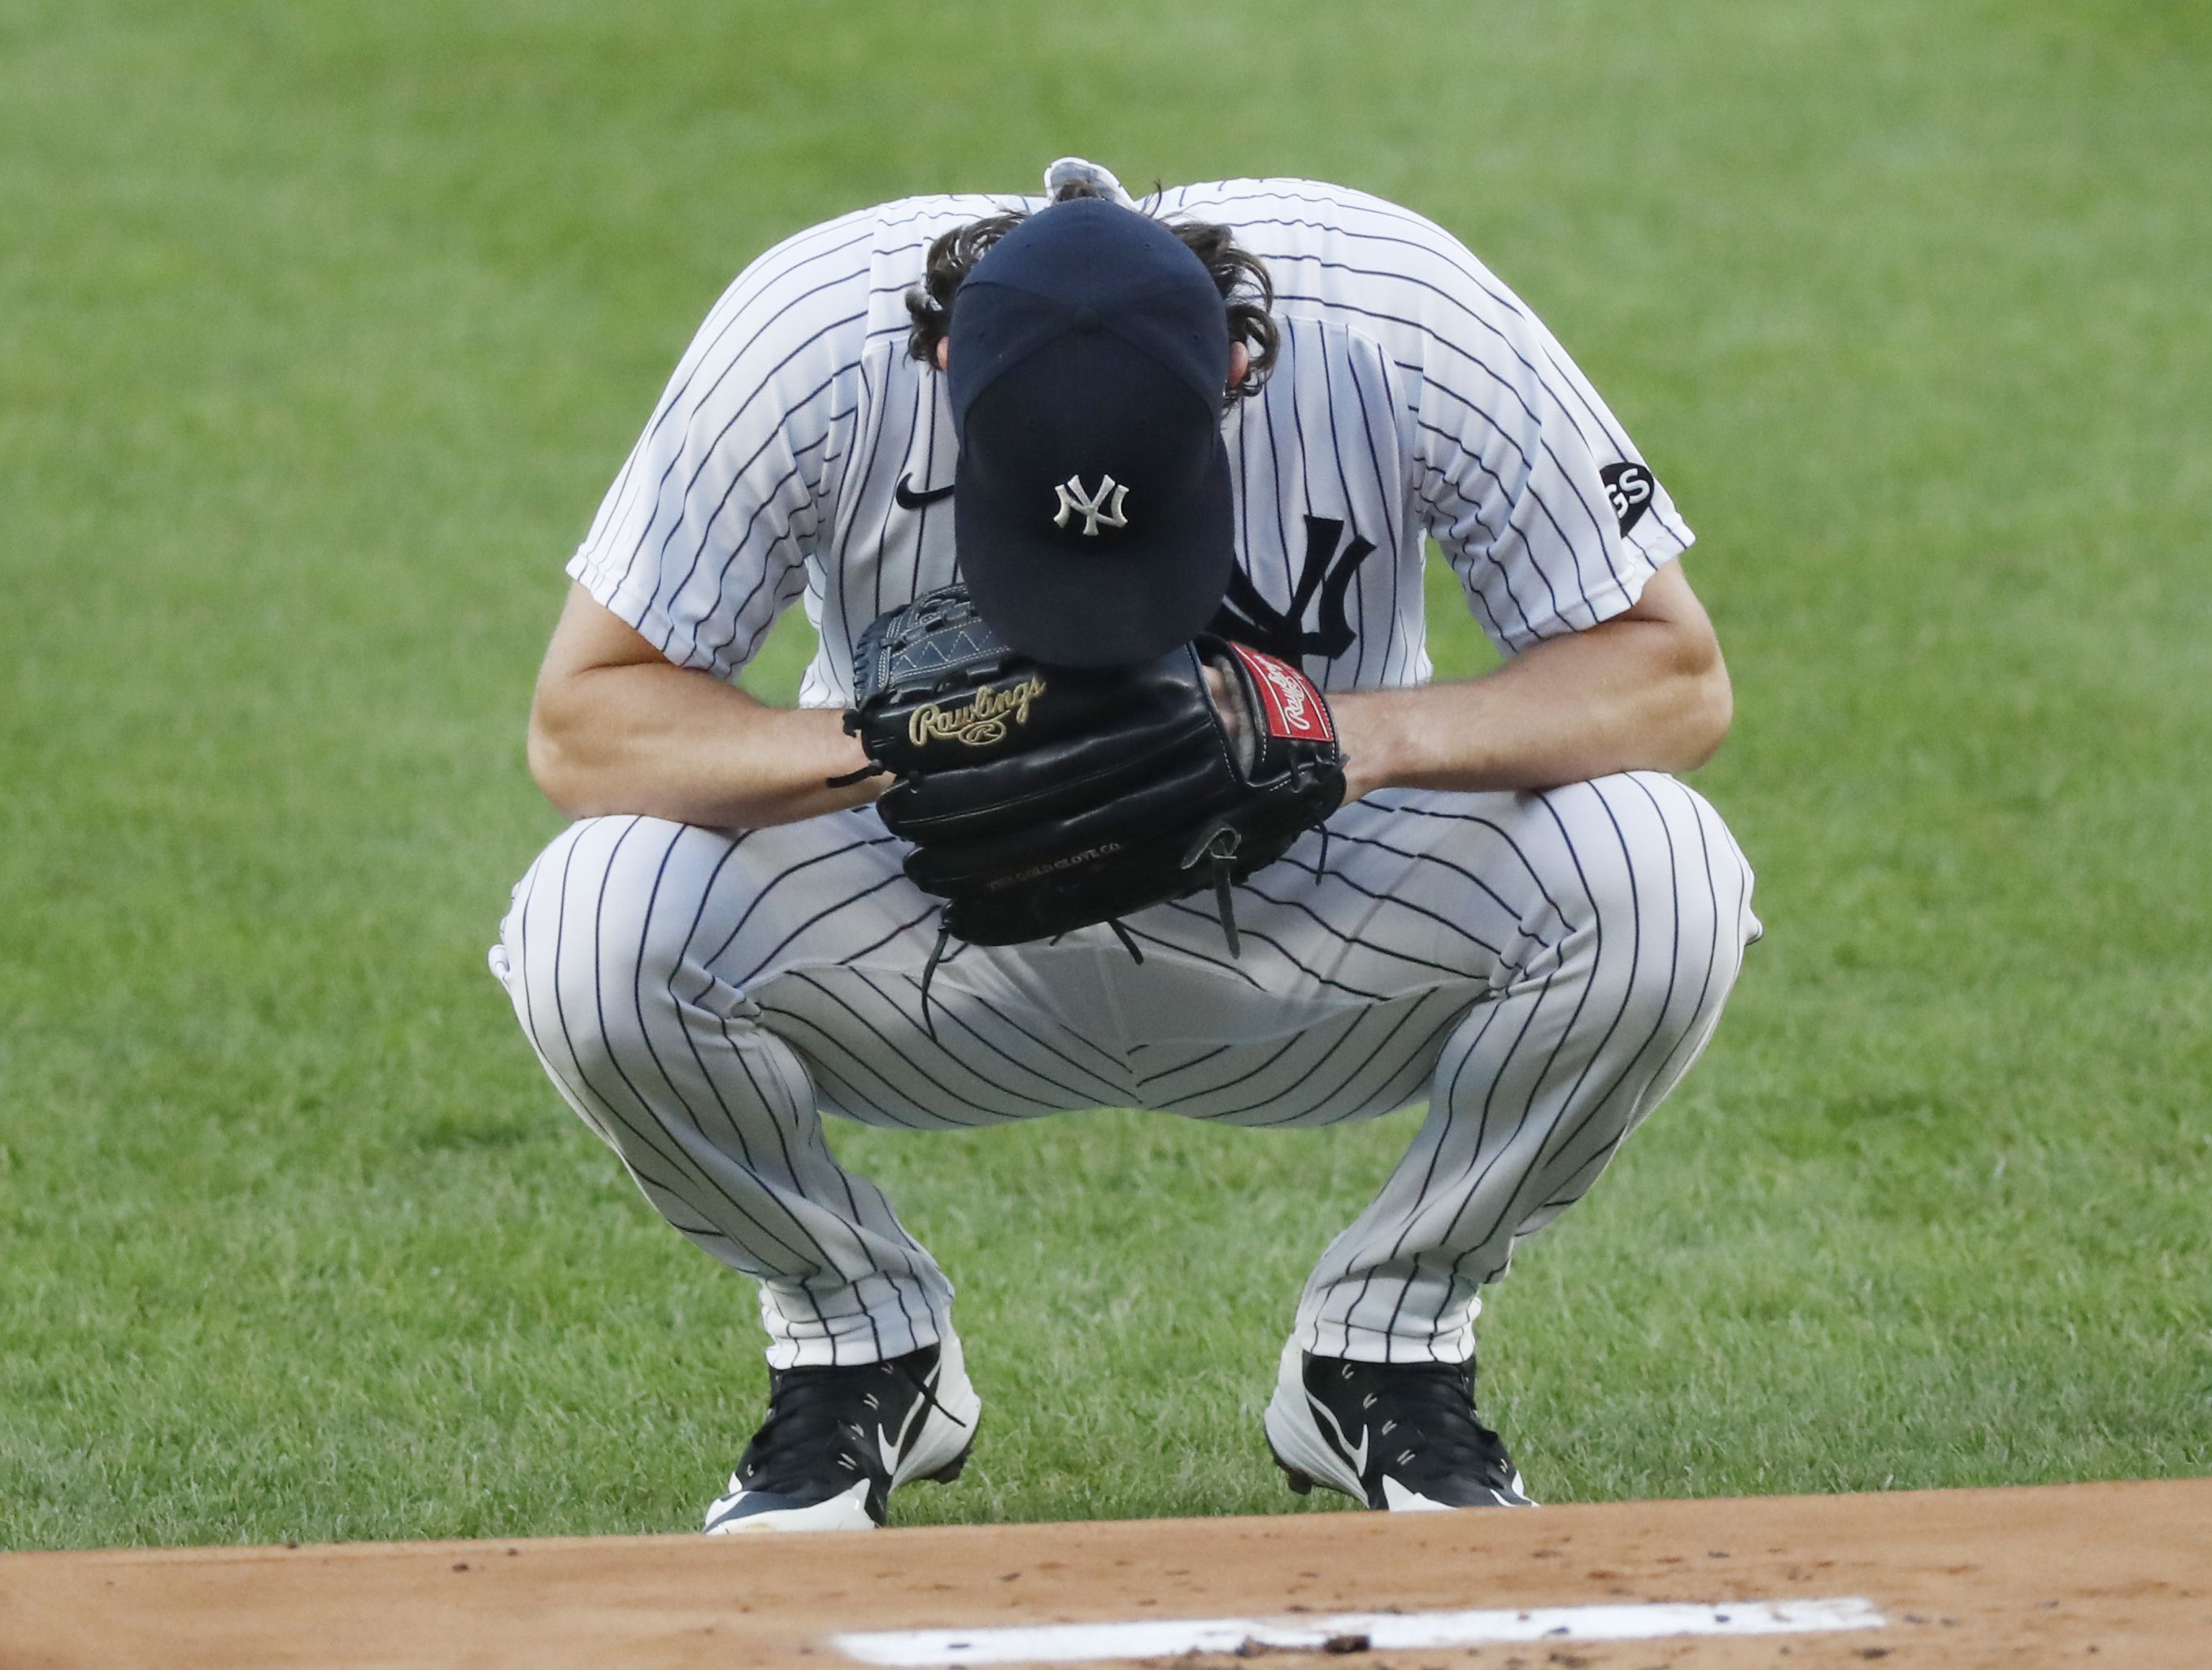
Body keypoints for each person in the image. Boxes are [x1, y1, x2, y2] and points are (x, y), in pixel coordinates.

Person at [490, 158, 1760, 1534]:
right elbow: (586, 723)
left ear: (1239, 366)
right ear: (939, 362)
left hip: (1323, 916)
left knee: (1664, 870)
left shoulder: (1399, 311)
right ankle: (856, 1343)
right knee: (593, 921)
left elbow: (1671, 677)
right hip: (934, 919)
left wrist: (1337, 729)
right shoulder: (812, 340)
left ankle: (1387, 1345)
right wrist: (911, 746)